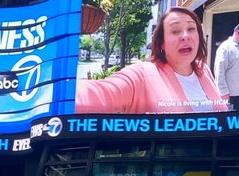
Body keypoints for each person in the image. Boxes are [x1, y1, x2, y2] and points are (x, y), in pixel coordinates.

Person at [75, 7, 226, 114]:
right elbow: (100, 93)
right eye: (175, 31)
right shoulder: (143, 73)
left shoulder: (203, 69)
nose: (186, 36)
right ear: (162, 43)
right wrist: (54, 93)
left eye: (192, 29)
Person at [214, 22, 239, 111]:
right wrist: (223, 92)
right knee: (227, 121)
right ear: (238, 32)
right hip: (229, 94)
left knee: (237, 120)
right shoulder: (225, 47)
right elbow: (219, 71)